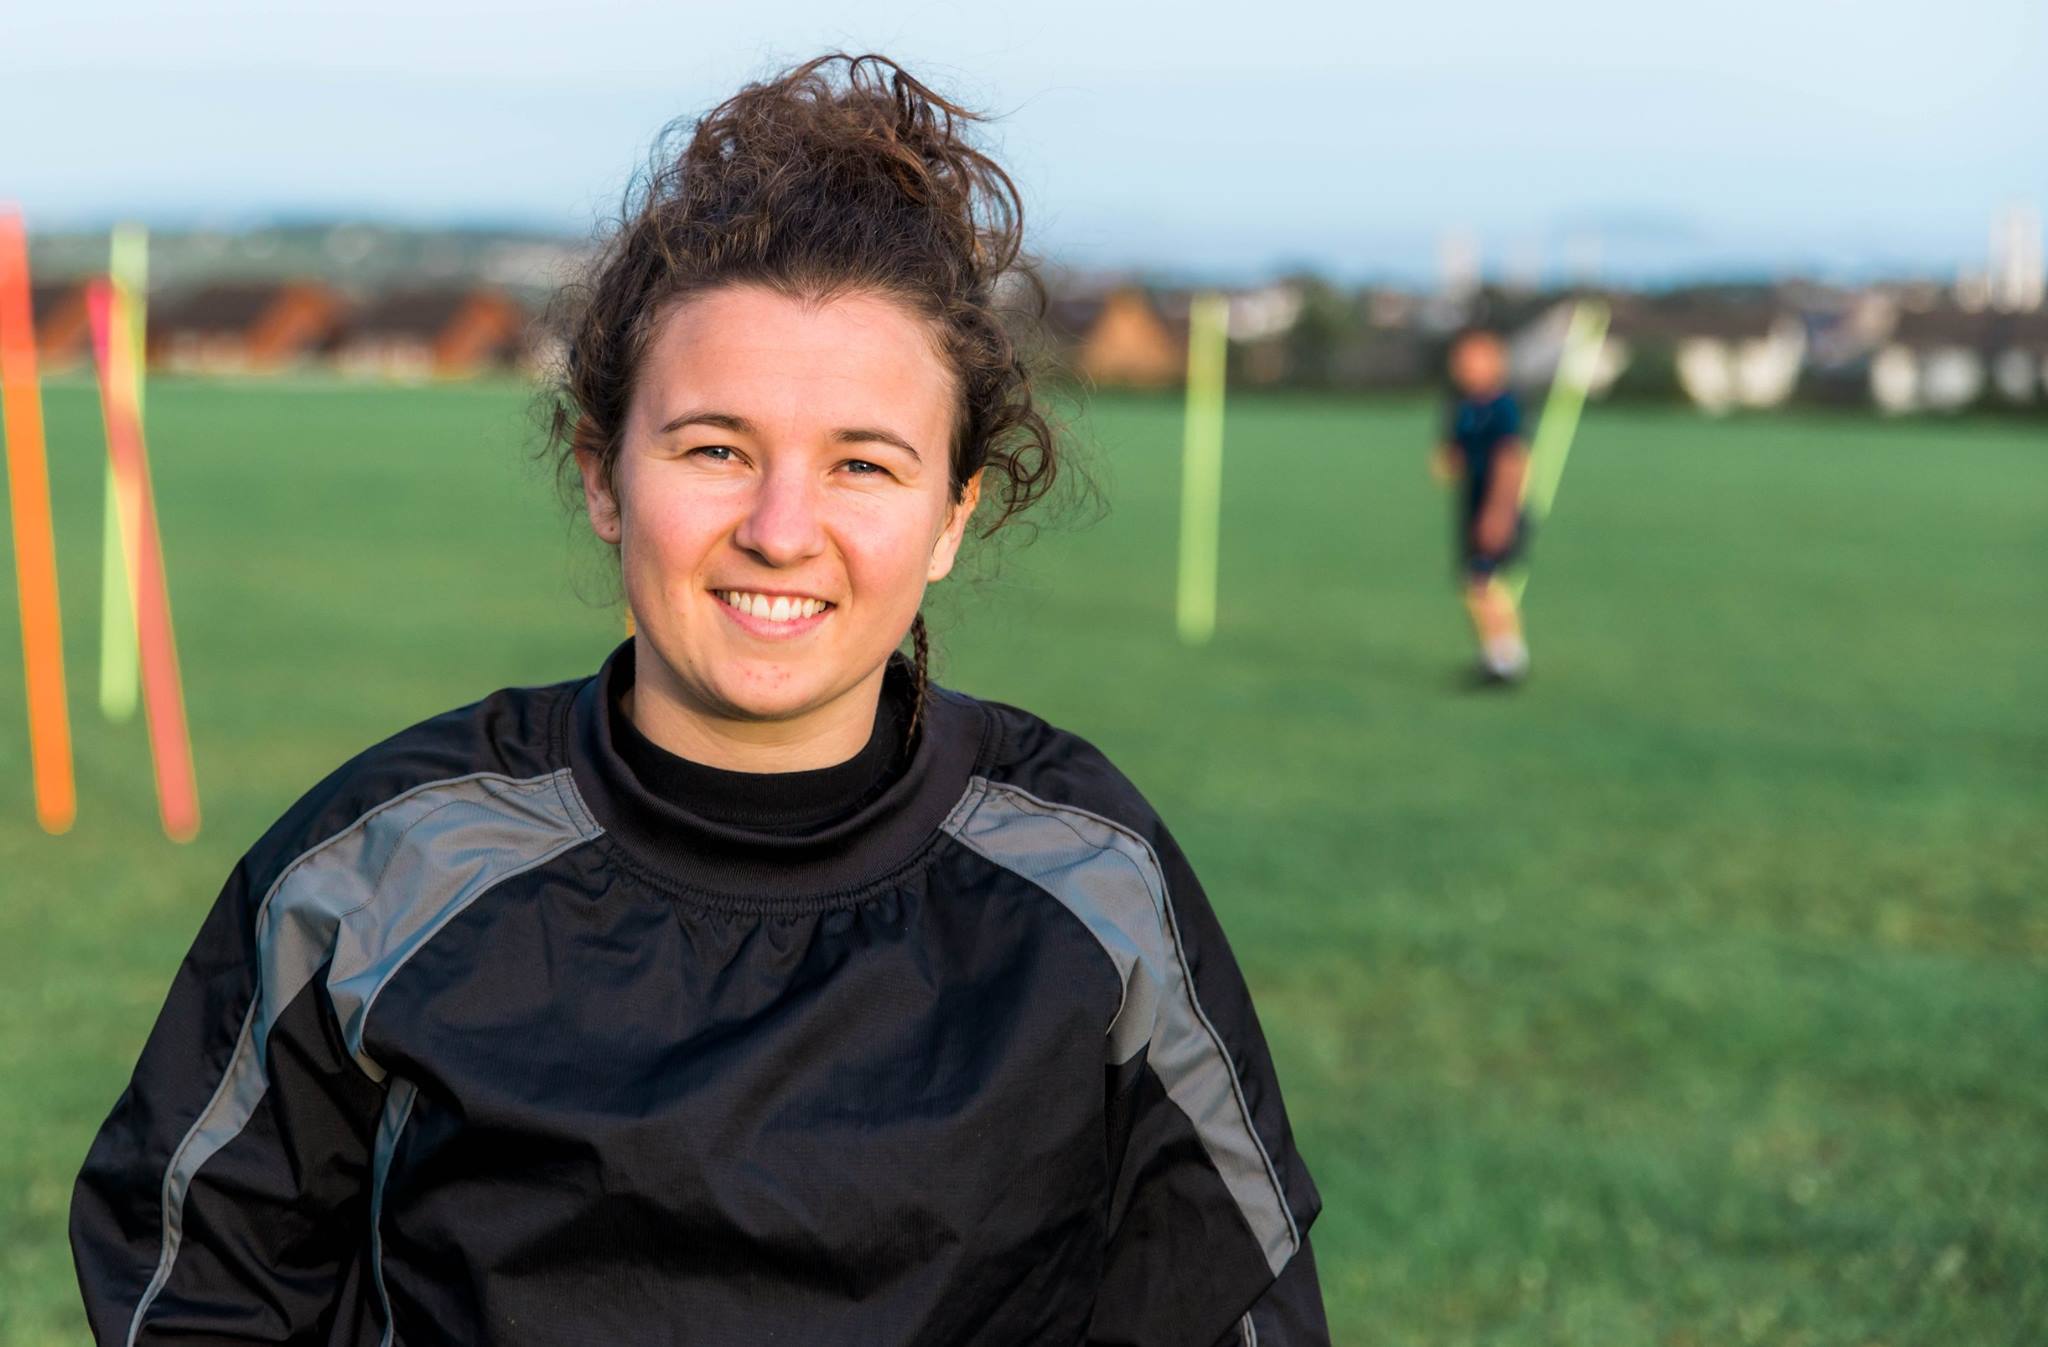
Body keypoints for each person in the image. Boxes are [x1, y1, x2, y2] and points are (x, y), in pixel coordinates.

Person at [70, 54, 1329, 1346]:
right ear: (602, 472)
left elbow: (1231, 1304)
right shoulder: (380, 869)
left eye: (864, 463)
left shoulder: (1093, 881)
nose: (782, 530)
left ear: (953, 514)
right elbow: (193, 1287)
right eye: (716, 448)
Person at [1430, 327, 1531, 683]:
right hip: (1471, 503)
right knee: (1475, 582)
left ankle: (1507, 659)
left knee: (1483, 581)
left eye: (1474, 358)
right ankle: (1498, 654)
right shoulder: (1461, 407)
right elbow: (1452, 456)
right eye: (1460, 359)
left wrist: (1500, 513)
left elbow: (1512, 460)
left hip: (1495, 505)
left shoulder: (1504, 407)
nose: (1465, 366)